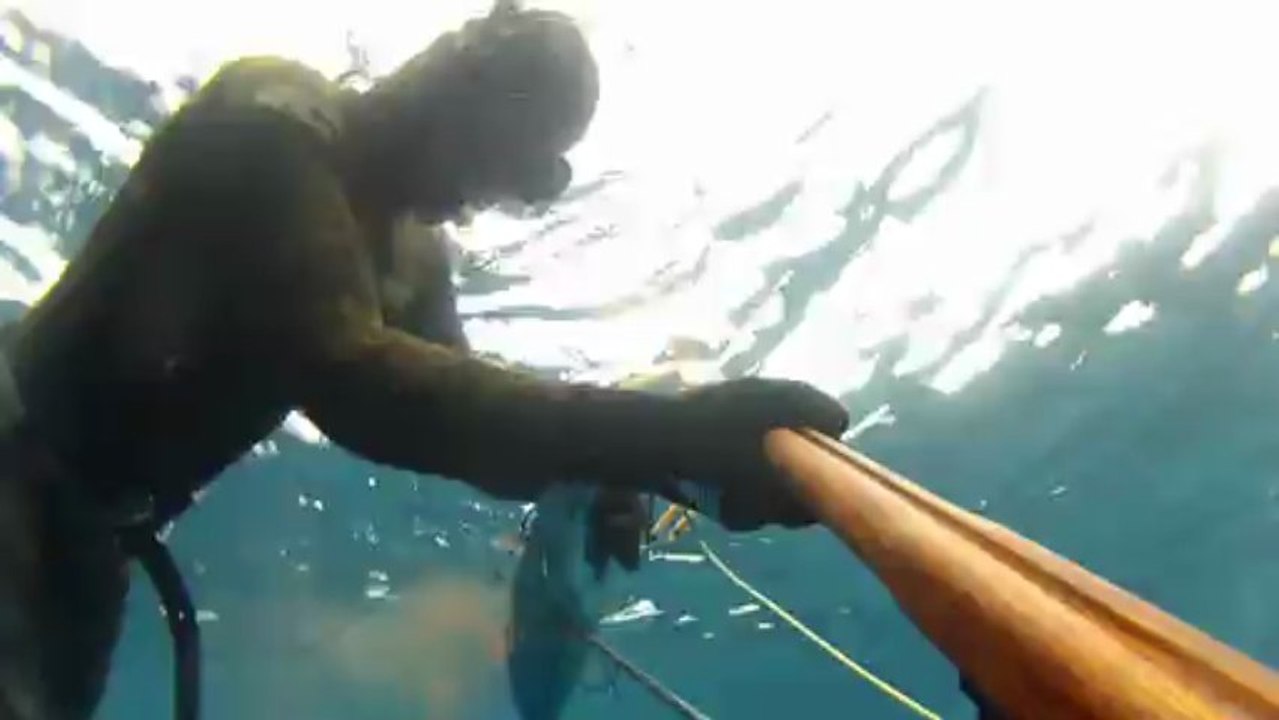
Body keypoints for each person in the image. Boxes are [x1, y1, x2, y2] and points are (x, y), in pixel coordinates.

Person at [0, 5, 848, 720]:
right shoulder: (273, 119)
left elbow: (470, 424)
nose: (495, 195)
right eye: (510, 155)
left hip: (97, 545)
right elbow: (359, 383)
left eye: (534, 179)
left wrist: (602, 480)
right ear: (456, 69)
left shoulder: (413, 255)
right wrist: (661, 439)